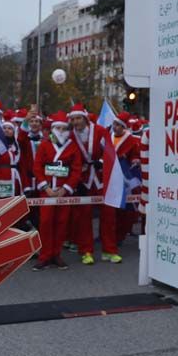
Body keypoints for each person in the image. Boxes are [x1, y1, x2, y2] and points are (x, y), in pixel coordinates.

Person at [32, 111, 82, 271]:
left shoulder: (73, 146)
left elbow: (76, 170)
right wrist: (45, 187)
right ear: (53, 129)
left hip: (63, 192)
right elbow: (37, 166)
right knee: (45, 223)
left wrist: (66, 188)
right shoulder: (45, 144)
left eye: (63, 128)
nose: (60, 131)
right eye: (57, 128)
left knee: (61, 223)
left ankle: (56, 254)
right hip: (46, 192)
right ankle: (44, 256)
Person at [98, 112, 141, 262]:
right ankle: (106, 239)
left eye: (119, 126)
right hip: (106, 176)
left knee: (123, 210)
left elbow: (135, 155)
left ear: (124, 127)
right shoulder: (106, 137)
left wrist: (135, 160)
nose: (115, 128)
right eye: (115, 124)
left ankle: (118, 236)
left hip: (123, 178)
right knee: (107, 211)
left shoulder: (130, 140)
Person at [67, 103, 106, 264]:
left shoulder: (100, 131)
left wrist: (102, 161)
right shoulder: (70, 136)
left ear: (85, 118)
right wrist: (75, 182)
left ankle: (109, 249)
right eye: (73, 119)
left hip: (99, 175)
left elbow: (109, 151)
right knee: (84, 215)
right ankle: (86, 250)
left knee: (107, 212)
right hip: (82, 178)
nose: (76, 122)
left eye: (78, 118)